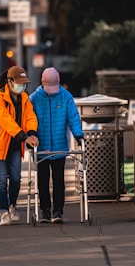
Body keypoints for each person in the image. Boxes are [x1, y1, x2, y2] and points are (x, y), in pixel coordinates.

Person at [0, 66, 39, 226]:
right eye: (19, 83)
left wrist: (32, 132)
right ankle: (4, 212)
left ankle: (12, 206)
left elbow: (30, 116)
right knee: (2, 180)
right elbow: (5, 121)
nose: (22, 86)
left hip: (14, 144)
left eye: (24, 83)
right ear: (9, 82)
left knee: (15, 179)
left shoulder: (24, 98)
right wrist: (24, 137)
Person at [29, 67, 84, 224]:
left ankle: (58, 211)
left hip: (59, 146)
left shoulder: (66, 97)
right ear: (42, 82)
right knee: (43, 180)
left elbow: (73, 117)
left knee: (59, 180)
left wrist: (79, 134)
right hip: (40, 147)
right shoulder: (34, 99)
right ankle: (45, 211)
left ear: (59, 81)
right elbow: (29, 120)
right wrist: (29, 137)